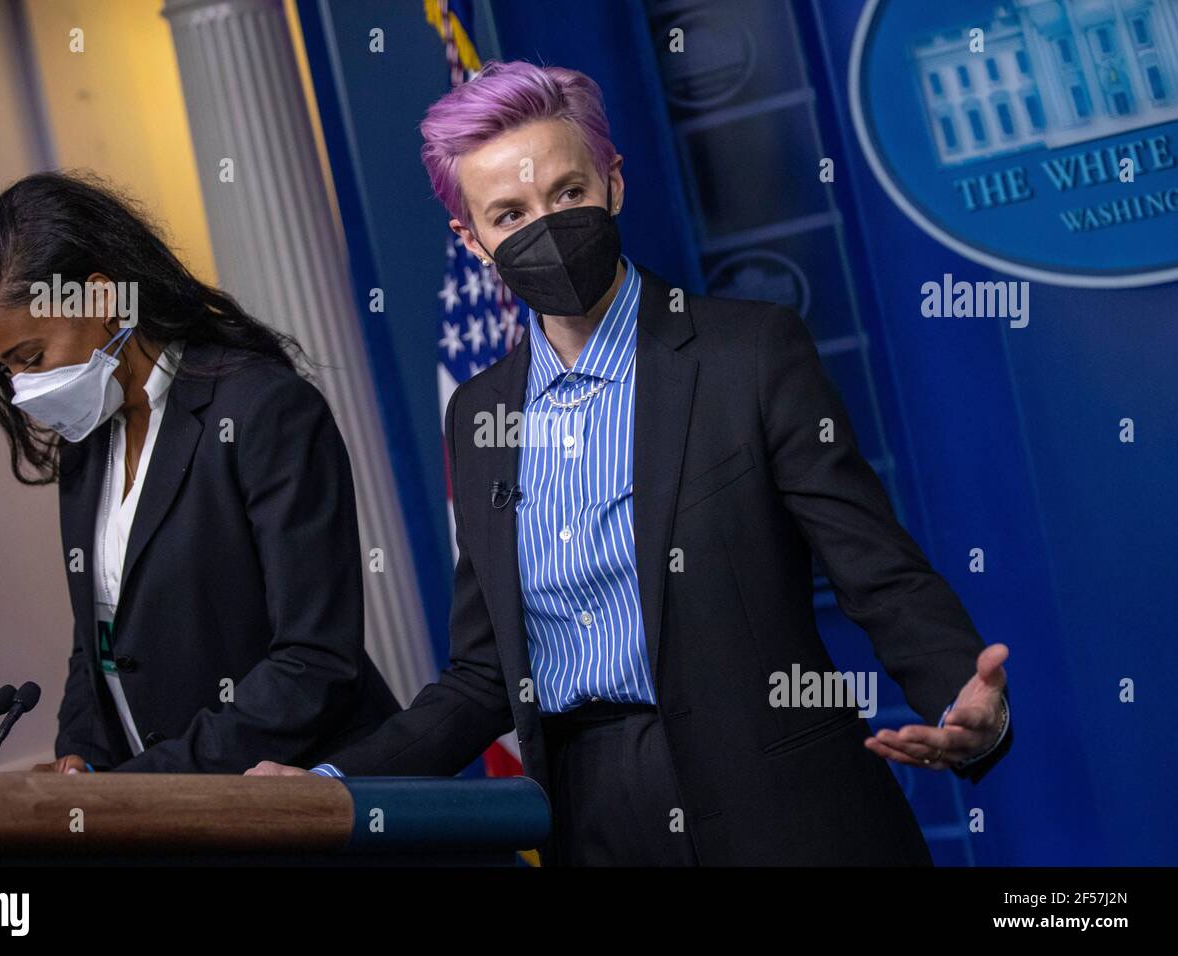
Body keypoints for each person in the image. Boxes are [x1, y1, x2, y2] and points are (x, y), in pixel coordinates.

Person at [248, 60, 1012, 865]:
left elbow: (876, 570)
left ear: (612, 184)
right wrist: (334, 779)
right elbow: (483, 676)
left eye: (567, 194)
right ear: (471, 241)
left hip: (785, 816)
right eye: (509, 213)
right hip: (596, 822)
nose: (544, 226)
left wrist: (962, 697)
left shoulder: (748, 352)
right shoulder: (478, 415)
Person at [0, 171, 399, 773]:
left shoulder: (261, 409)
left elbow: (312, 663)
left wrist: (146, 787)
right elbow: (98, 636)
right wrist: (82, 753)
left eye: (31, 357)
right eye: (8, 370)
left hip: (301, 805)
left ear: (100, 301)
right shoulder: (87, 442)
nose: (24, 388)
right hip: (163, 815)